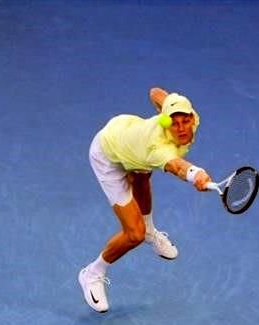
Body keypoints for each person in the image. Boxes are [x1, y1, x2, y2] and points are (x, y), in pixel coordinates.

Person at [78, 87, 213, 312]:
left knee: (142, 175)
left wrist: (166, 105)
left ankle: (151, 230)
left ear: (192, 117)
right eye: (174, 122)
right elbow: (177, 167)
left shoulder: (186, 116)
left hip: (127, 133)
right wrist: (196, 174)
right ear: (167, 121)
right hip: (108, 155)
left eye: (185, 121)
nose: (180, 128)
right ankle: (92, 273)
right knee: (134, 234)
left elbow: (155, 93)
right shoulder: (158, 149)